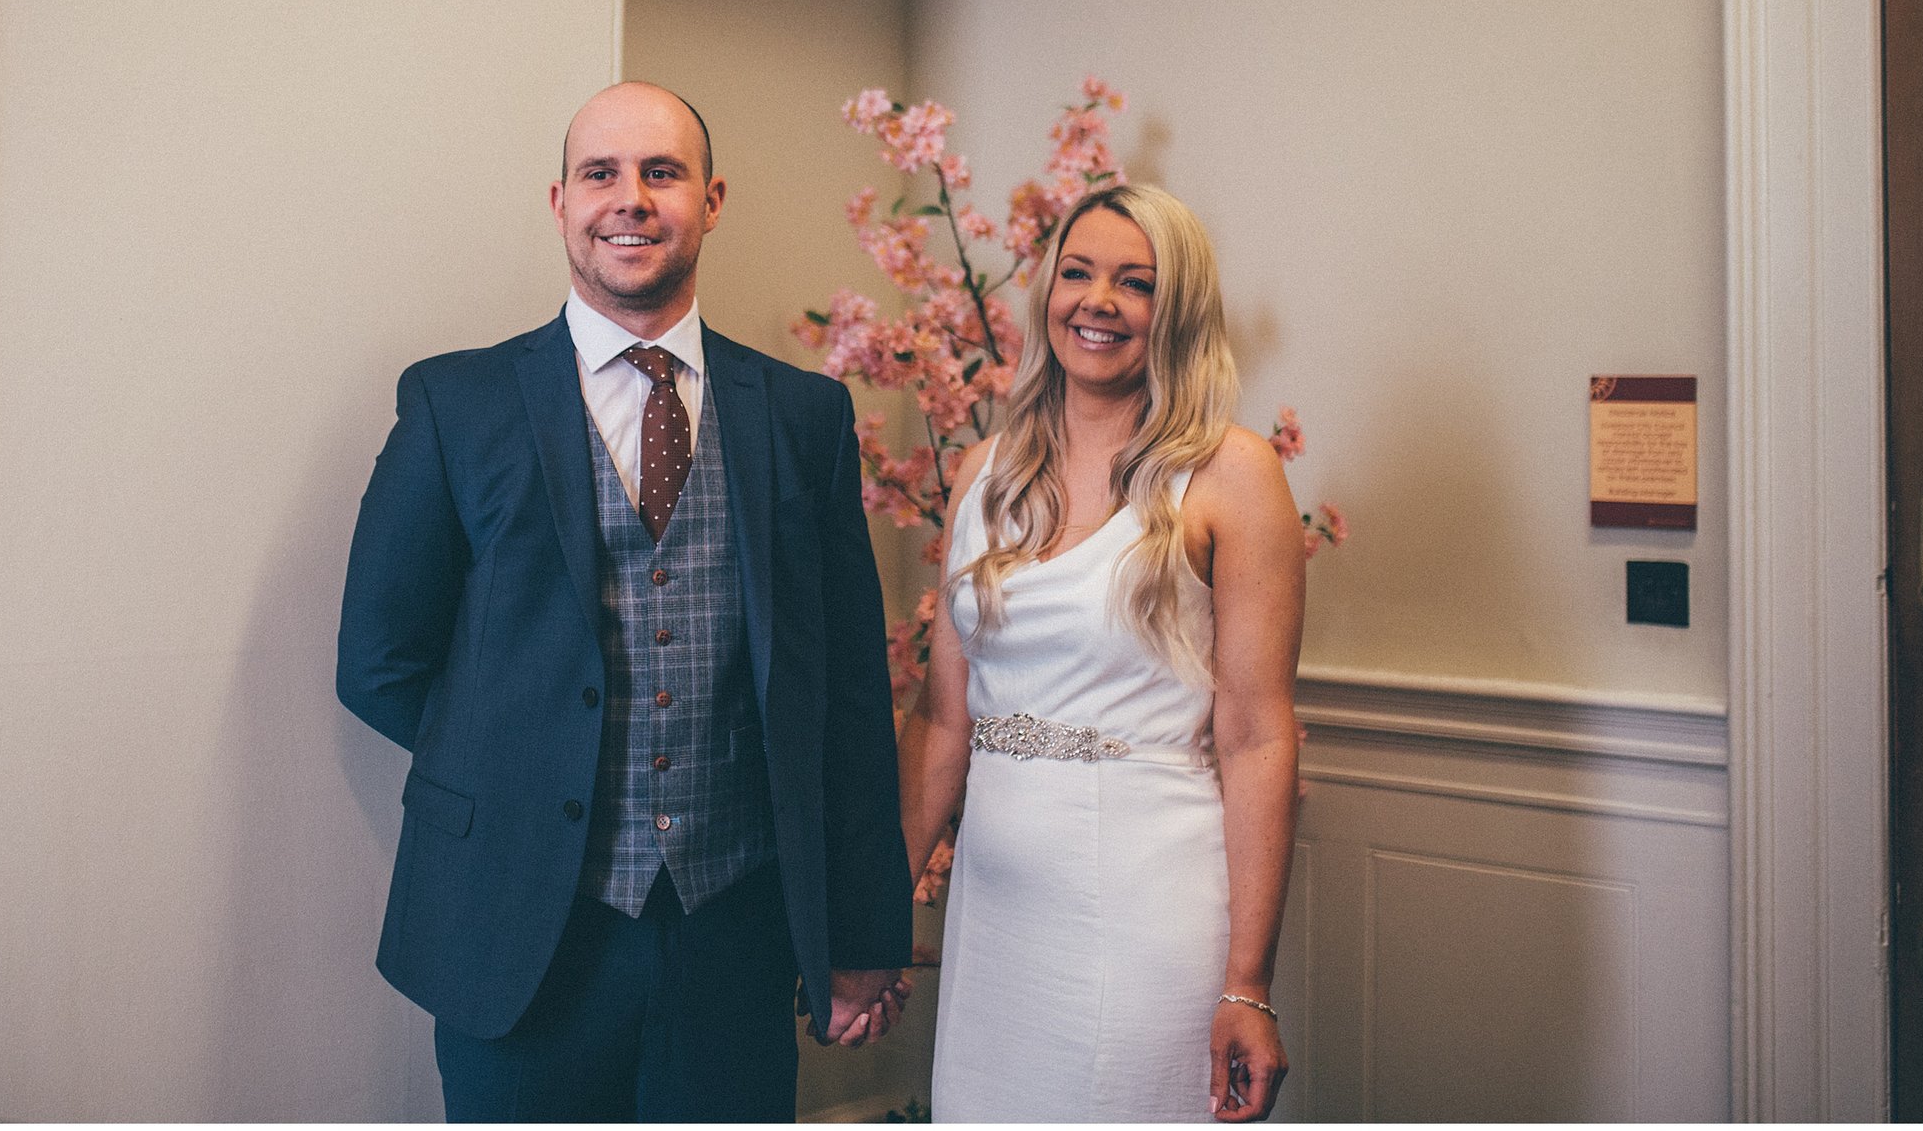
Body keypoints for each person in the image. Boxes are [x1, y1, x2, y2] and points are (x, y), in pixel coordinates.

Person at [337, 82, 913, 1122]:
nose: (630, 198)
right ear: (559, 200)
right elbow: (376, 659)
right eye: (602, 173)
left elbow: (848, 702)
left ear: (712, 197)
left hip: (734, 931)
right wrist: (514, 764)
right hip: (518, 929)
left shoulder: (803, 415)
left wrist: (865, 935)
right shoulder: (453, 403)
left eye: (661, 172)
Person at [898, 184, 1305, 1123]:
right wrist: (878, 917)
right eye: (1077, 273)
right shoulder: (984, 472)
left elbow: (1254, 736)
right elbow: (943, 715)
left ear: (1180, 309)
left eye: (1136, 282)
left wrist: (1248, 983)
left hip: (1148, 901)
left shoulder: (1232, 473)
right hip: (996, 916)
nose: (1099, 301)